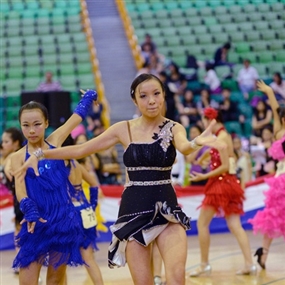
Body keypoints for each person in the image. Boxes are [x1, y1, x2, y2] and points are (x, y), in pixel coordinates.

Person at [16, 74, 225, 285]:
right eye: (143, 96)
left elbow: (185, 146)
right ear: (135, 99)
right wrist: (41, 154)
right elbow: (81, 149)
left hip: (167, 210)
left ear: (163, 96)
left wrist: (197, 141)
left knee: (177, 278)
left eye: (156, 94)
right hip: (133, 212)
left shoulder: (174, 127)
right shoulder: (122, 129)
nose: (151, 100)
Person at [10, 90, 97, 285]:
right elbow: (20, 189)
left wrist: (89, 97)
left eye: (37, 124)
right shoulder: (17, 157)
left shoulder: (55, 142)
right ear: (21, 126)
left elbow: (75, 118)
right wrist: (28, 208)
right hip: (35, 224)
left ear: (46, 124)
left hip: (61, 222)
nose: (31, 130)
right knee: (27, 280)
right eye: (26, 125)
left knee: (56, 280)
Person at [189, 107, 256, 277]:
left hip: (220, 185)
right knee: (234, 225)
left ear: (210, 120)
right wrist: (205, 158)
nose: (204, 124)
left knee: (202, 223)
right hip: (229, 184)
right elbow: (221, 157)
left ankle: (204, 264)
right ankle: (250, 264)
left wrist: (204, 174)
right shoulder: (220, 136)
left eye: (205, 121)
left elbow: (225, 166)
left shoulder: (223, 136)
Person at [248, 81, 285, 270]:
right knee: (273, 219)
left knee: (276, 219)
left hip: (280, 180)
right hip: (281, 182)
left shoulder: (280, 131)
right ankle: (263, 252)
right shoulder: (279, 131)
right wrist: (270, 92)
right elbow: (276, 108)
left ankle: (263, 252)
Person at [64, 136, 104, 285]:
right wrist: (91, 206)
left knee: (61, 260)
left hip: (69, 214)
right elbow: (94, 184)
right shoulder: (76, 164)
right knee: (89, 258)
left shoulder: (57, 166)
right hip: (84, 210)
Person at [0, 128, 24, 272]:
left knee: (22, 232)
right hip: (17, 198)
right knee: (19, 231)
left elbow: (12, 176)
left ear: (16, 143)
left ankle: (24, 263)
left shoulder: (13, 157)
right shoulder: (10, 157)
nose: (3, 144)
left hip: (21, 199)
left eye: (6, 141)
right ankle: (21, 262)